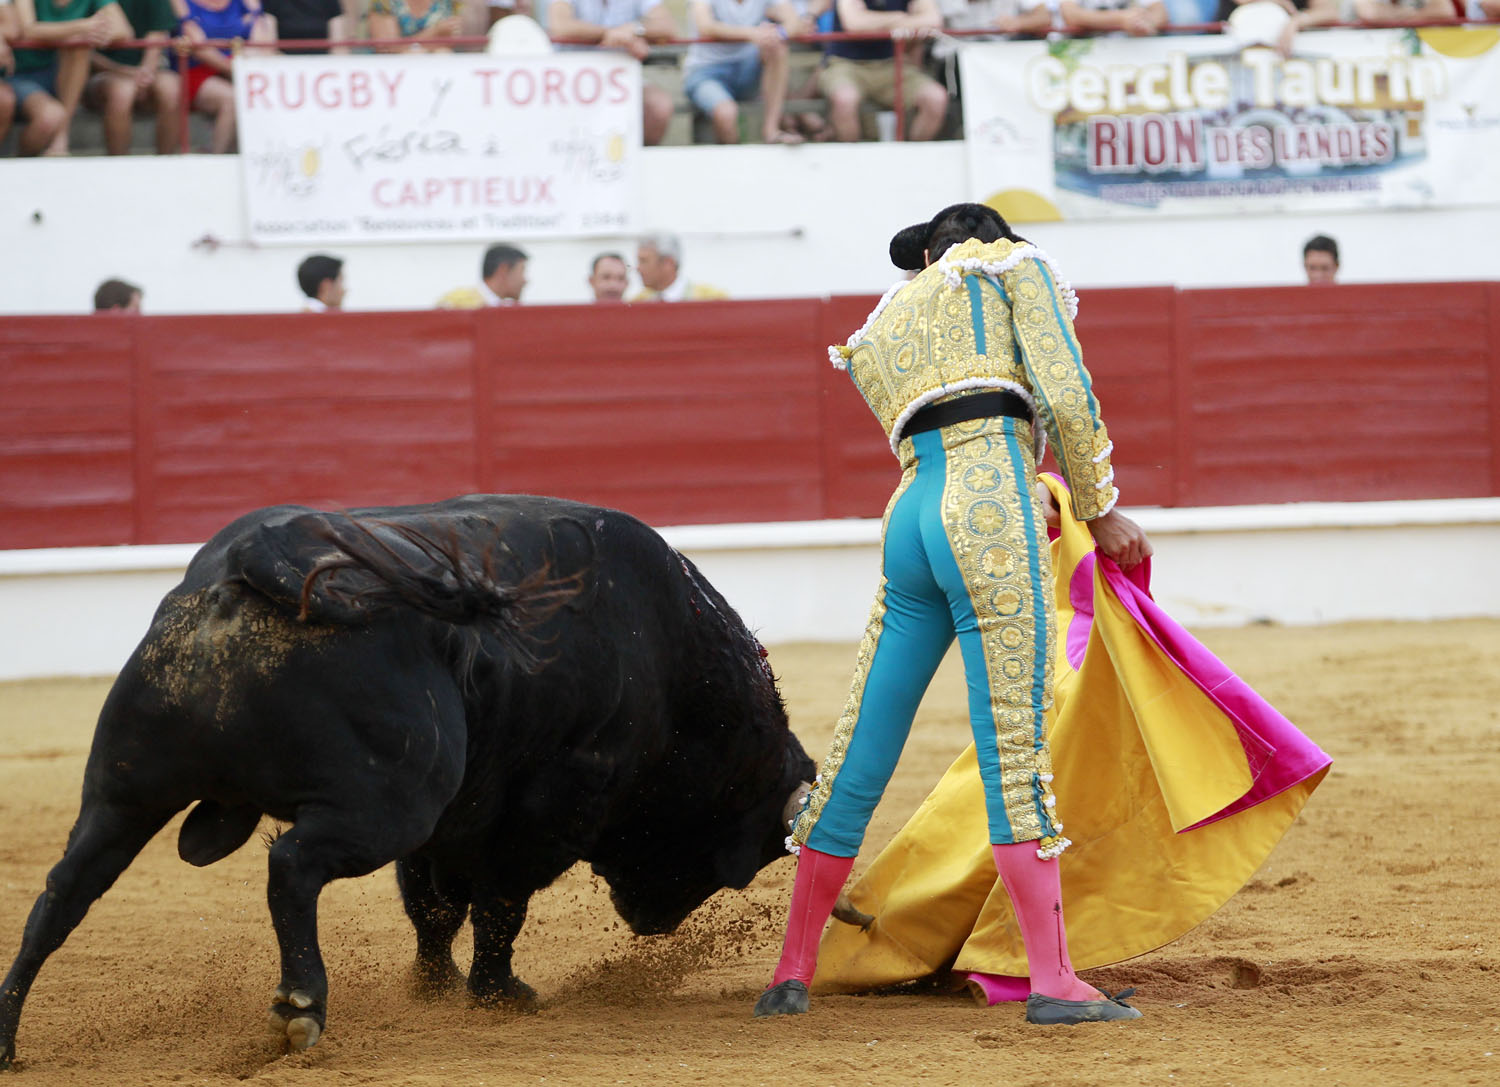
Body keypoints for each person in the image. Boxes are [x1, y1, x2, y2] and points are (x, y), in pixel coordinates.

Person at [755, 203, 1151, 1026]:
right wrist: (1097, 503)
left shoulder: (892, 315)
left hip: (910, 511)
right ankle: (1053, 981)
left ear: (927, 255)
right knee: (1015, 737)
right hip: (988, 502)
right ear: (993, 238)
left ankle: (792, 971)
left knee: (861, 741)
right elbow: (1066, 397)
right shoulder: (1012, 266)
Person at [813, 471, 1332, 1004]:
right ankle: (1016, 962)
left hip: (940, 550)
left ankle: (836, 952)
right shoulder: (1020, 466)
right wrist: (1093, 511)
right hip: (1037, 621)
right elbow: (1029, 470)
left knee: (988, 779)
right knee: (1057, 777)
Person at [546, 0, 677, 146]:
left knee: (659, 107)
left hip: (621, 78)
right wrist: (616, 35)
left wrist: (634, 29)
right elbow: (561, 27)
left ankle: (637, 161)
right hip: (571, 80)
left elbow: (668, 27)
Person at [9, 0, 130, 155]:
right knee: (49, 118)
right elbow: (28, 29)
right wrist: (81, 27)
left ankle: (61, 136)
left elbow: (123, 29)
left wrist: (92, 33)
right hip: (19, 74)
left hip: (56, 74)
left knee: (79, 46)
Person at [819, 0, 950, 142]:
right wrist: (902, 17)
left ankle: (912, 159)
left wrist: (871, 20)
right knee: (844, 99)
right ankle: (853, 161)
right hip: (844, 63)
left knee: (936, 98)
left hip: (892, 64)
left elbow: (934, 20)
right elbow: (854, 24)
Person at [682, 0, 810, 145]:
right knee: (726, 114)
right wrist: (753, 33)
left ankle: (771, 131)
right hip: (705, 71)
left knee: (777, 46)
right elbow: (705, 27)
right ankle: (735, 159)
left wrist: (775, 34)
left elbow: (794, 22)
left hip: (748, 70)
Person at [173, 0, 275, 154]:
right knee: (232, 99)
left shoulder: (247, 3)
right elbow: (197, 46)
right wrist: (235, 66)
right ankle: (216, 160)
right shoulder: (181, 3)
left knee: (265, 92)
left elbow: (260, 39)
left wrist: (239, 66)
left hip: (239, 68)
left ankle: (261, 154)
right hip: (197, 70)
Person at [83, 0, 180, 155]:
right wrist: (126, 72)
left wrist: (145, 73)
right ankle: (119, 167)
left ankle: (166, 164)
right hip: (102, 75)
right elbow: (84, 53)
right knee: (122, 92)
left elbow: (158, 33)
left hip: (145, 71)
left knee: (172, 88)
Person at [632, 232, 728, 301]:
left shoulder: (711, 300)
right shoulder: (638, 302)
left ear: (668, 263)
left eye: (644, 261)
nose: (638, 268)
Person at [437, 242, 529, 307]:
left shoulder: (509, 309)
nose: (525, 281)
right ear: (503, 270)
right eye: (522, 271)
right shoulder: (456, 305)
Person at [367, 0, 465, 51]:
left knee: (443, 54)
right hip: (393, 71)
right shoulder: (385, 3)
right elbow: (388, 48)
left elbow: (453, 41)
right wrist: (434, 32)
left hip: (439, 60)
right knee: (414, 55)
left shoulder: (451, 3)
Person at [260, 0, 347, 52]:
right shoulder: (272, 2)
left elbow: (339, 46)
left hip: (322, 63)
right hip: (285, 65)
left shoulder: (330, 2)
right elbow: (269, 47)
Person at [1058, 0, 1167, 36]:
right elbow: (1070, 15)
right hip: (1084, 58)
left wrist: (1145, 23)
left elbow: (1160, 13)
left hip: (1129, 58)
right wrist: (1120, 19)